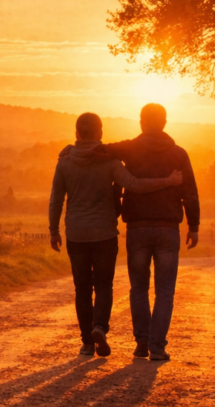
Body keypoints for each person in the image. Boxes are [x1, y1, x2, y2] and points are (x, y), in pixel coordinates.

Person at [48, 112, 182, 357]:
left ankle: (87, 342)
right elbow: (136, 185)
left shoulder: (65, 161)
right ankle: (99, 326)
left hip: (76, 233)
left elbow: (56, 200)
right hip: (104, 233)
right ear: (100, 132)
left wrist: (53, 230)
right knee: (103, 285)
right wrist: (168, 181)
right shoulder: (109, 162)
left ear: (77, 133)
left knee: (82, 288)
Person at [107, 103, 200, 361]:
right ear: (165, 123)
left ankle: (142, 342)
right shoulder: (179, 153)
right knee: (165, 291)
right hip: (168, 228)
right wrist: (193, 225)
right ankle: (157, 347)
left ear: (141, 122)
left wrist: (72, 149)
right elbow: (190, 192)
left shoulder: (128, 148)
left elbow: (101, 151)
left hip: (137, 227)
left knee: (138, 288)